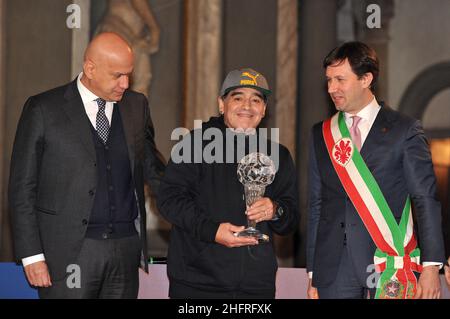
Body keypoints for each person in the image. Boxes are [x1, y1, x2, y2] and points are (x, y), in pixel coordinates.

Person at [8, 32, 165, 298]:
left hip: (126, 251)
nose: (125, 83)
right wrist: (31, 255)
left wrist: (198, 212)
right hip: (68, 253)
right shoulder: (43, 109)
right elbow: (22, 188)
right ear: (90, 68)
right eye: (117, 75)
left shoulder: (137, 106)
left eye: (129, 74)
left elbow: (154, 170)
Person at [306, 41, 445, 299]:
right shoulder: (321, 134)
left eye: (340, 79)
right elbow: (316, 204)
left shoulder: (404, 129)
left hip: (388, 259)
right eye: (328, 80)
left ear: (366, 79)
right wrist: (313, 273)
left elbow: (424, 199)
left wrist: (430, 266)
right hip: (333, 267)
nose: (331, 89)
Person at [157, 68, 299, 298]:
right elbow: (168, 201)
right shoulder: (193, 145)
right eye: (238, 97)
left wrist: (275, 210)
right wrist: (212, 231)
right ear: (222, 104)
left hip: (256, 288)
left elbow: (290, 219)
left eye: (256, 100)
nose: (247, 106)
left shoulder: (278, 155)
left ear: (263, 109)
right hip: (198, 285)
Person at [96, 0, 160, 96]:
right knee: (124, 83)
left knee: (140, 83)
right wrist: (154, 29)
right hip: (119, 30)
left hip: (129, 35)